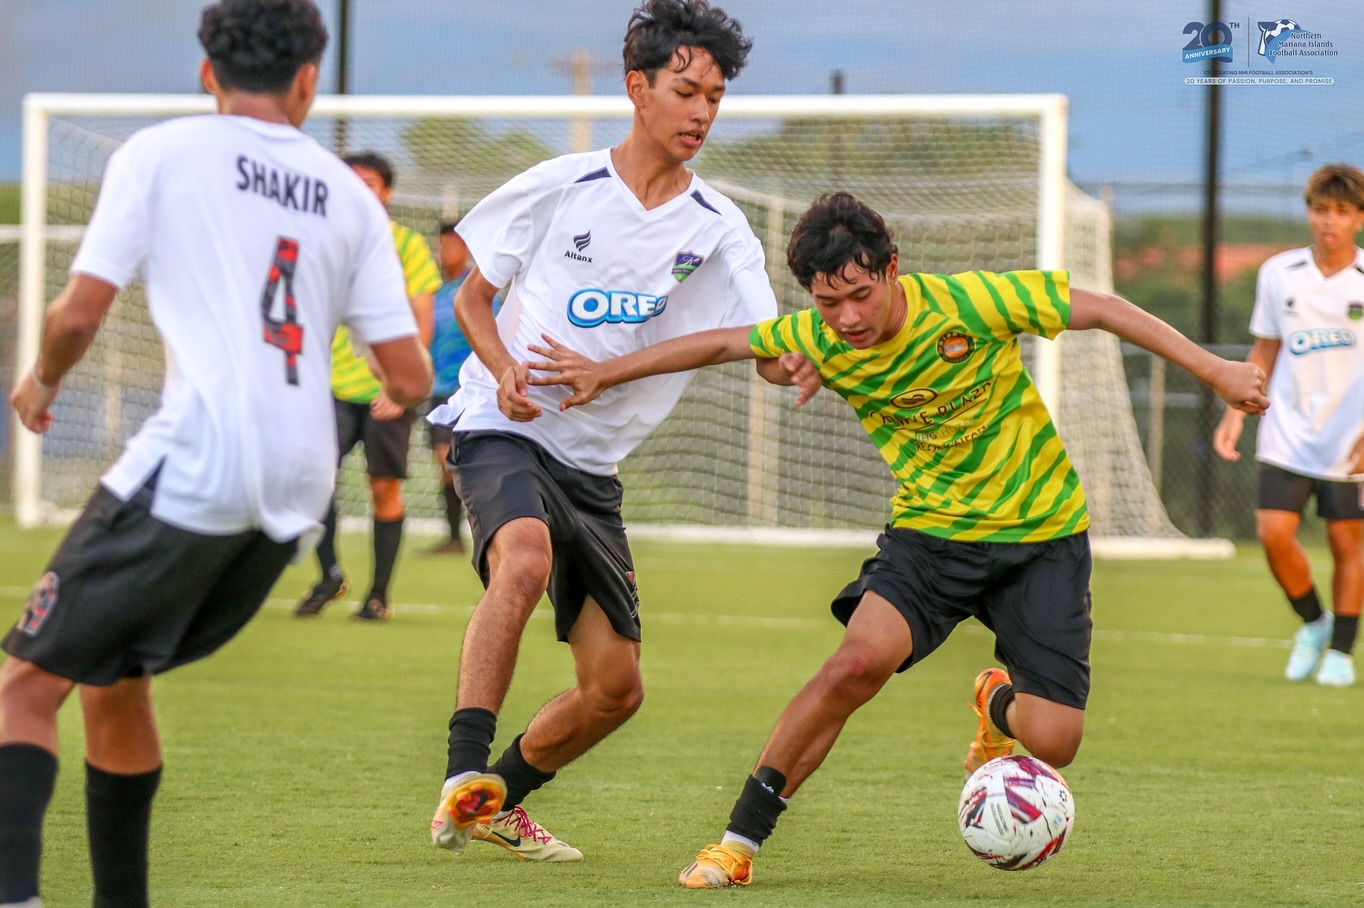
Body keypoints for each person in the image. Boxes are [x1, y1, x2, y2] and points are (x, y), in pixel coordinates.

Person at [524, 191, 1269, 888]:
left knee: (1055, 741)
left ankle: (995, 700)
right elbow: (722, 343)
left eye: (859, 294)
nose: (847, 317)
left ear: (891, 269)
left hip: (1043, 537)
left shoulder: (971, 303)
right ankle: (739, 843)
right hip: (931, 539)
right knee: (855, 664)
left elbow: (1100, 308)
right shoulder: (817, 336)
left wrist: (1215, 370)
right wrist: (606, 372)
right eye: (828, 303)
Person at [0, 2, 432, 905]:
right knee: (117, 677)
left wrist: (39, 383)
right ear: (308, 78)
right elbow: (408, 374)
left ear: (208, 72)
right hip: (298, 481)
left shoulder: (161, 154)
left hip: (200, 458)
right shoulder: (350, 197)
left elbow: (78, 313)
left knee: (23, 688)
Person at [423, 0, 808, 863]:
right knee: (524, 559)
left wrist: (809, 358)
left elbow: (766, 347)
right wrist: (506, 369)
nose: (702, 112)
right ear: (638, 88)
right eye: (686, 91)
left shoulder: (719, 227)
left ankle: (496, 800)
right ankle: (461, 771)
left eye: (715, 98)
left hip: (593, 469)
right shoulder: (560, 186)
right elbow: (473, 299)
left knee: (615, 690)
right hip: (503, 424)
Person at [1213, 163, 1364, 688]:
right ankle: (1314, 623)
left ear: (1359, 217)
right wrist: (1234, 413)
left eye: (1341, 212)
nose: (1329, 221)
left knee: (1347, 543)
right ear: (1308, 212)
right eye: (1321, 210)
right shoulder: (1279, 273)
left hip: (1350, 439)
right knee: (1273, 535)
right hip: (1286, 431)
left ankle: (1341, 652)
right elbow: (1265, 349)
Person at [294, 151, 439, 621]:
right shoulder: (319, 242)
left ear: (387, 193)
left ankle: (378, 595)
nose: (358, 191)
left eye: (369, 184)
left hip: (386, 393)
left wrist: (397, 387)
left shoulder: (407, 245)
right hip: (329, 387)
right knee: (313, 482)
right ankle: (330, 574)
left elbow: (422, 324)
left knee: (383, 490)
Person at [424, 220, 495, 556]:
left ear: (466, 249)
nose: (445, 252)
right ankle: (454, 537)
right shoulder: (434, 293)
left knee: (462, 461)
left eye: (452, 245)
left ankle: (488, 530)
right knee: (445, 462)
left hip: (472, 388)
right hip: (440, 389)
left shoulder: (478, 290)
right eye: (441, 245)